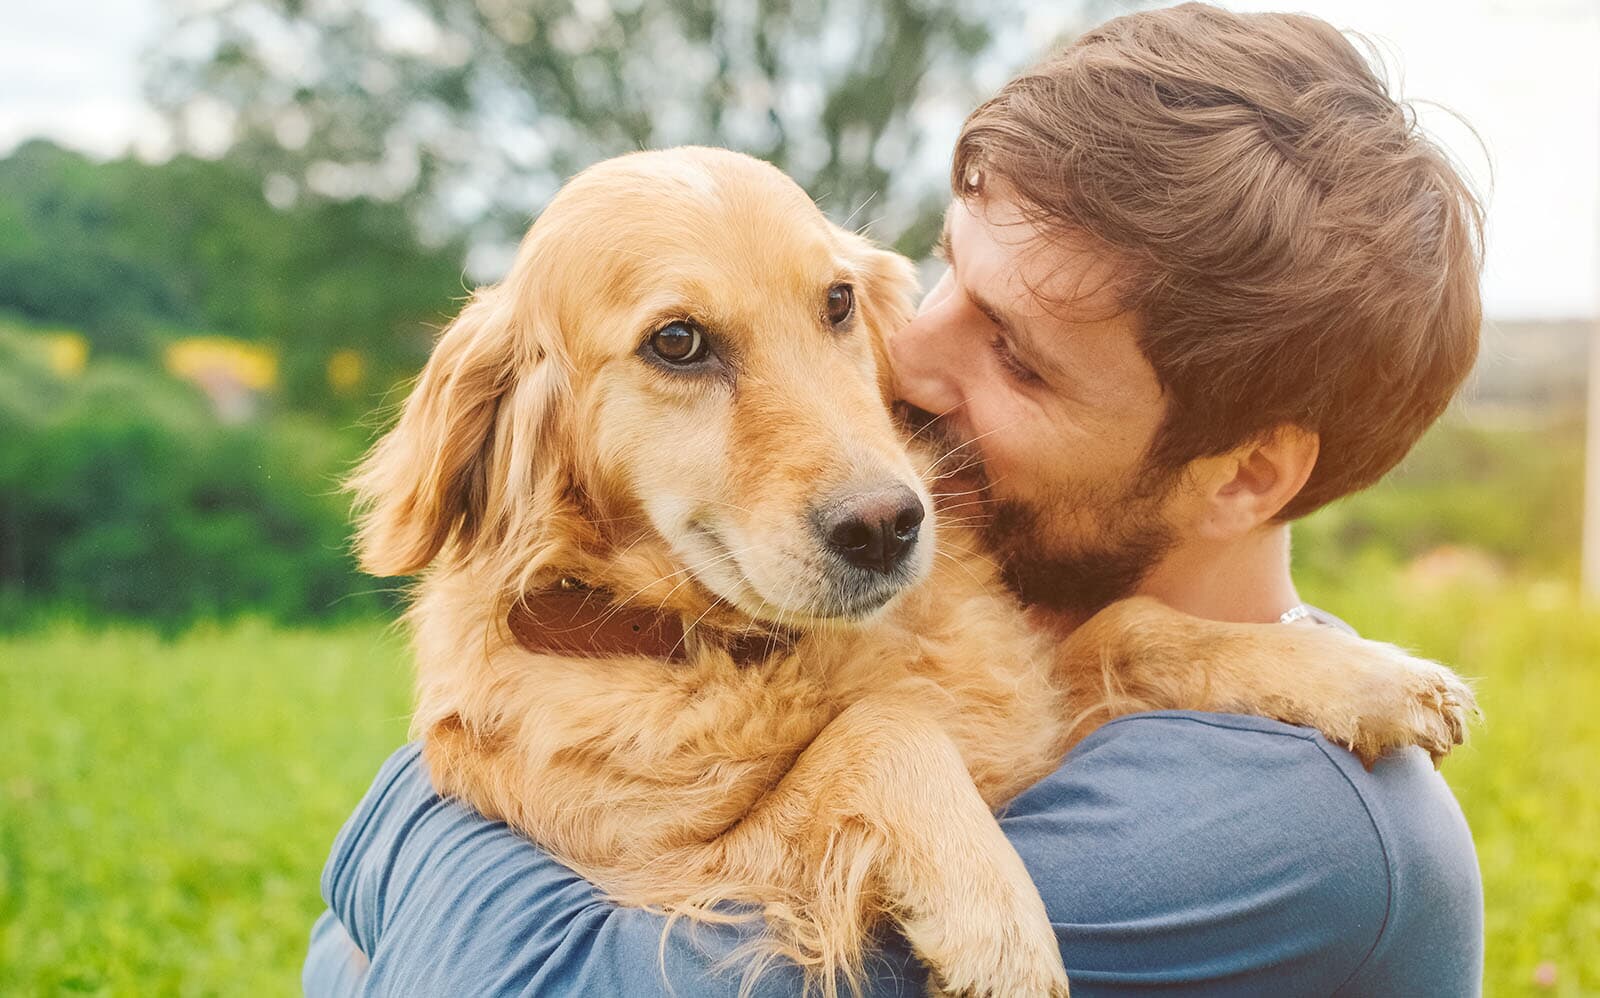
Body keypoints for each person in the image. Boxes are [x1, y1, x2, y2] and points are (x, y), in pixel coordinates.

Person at [304, 4, 1485, 995]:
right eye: (940, 277)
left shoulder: (1284, 831)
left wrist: (399, 823)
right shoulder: (963, 629)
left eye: (1018, 357)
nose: (898, 366)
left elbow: (557, 975)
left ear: (1242, 474)